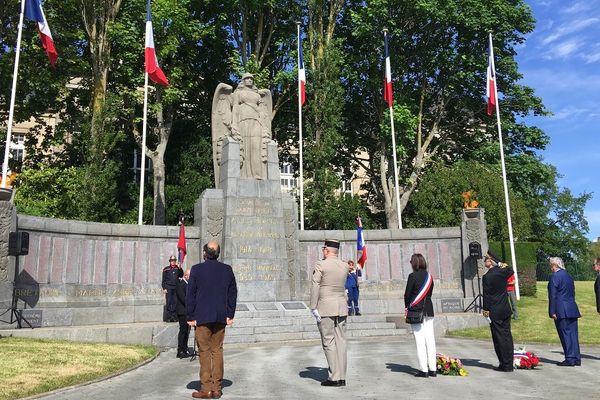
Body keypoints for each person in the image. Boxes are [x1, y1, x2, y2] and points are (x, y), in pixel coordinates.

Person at [187, 242, 237, 399]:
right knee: (217, 350)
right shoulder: (227, 270)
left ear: (205, 253)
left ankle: (206, 388)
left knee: (204, 351)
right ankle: (217, 388)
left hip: (202, 317)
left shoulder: (196, 269)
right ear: (218, 254)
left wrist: (190, 317)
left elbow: (191, 295)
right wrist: (230, 314)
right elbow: (233, 293)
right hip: (220, 317)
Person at [310, 239, 349, 387]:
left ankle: (334, 377)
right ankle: (342, 377)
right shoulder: (345, 265)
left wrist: (313, 306)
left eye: (323, 249)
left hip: (326, 306)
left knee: (328, 341)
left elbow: (315, 285)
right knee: (341, 341)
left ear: (326, 250)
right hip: (341, 306)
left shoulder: (321, 264)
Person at [231, 72, 270, 180]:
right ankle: (245, 175)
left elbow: (262, 111)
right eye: (247, 78)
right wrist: (234, 123)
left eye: (251, 78)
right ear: (243, 80)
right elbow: (235, 108)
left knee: (255, 147)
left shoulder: (257, 95)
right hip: (243, 121)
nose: (250, 80)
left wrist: (265, 125)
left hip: (256, 122)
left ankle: (257, 174)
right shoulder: (238, 93)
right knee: (246, 148)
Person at [404, 253, 436, 378]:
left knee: (420, 340)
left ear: (414, 263)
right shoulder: (429, 276)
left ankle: (424, 369)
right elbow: (430, 293)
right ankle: (433, 369)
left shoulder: (412, 276)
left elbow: (407, 295)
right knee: (430, 340)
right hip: (429, 309)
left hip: (416, 311)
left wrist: (408, 307)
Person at [482, 250, 514, 372]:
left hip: (495, 311)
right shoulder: (503, 272)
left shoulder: (487, 277)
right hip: (505, 308)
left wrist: (485, 310)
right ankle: (509, 363)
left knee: (499, 338)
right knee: (507, 336)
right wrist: (501, 263)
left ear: (490, 261)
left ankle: (504, 364)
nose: (484, 261)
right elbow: (510, 270)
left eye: (486, 259)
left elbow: (486, 296)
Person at [548, 256, 581, 366]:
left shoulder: (554, 277)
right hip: (572, 307)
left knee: (565, 334)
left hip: (561, 309)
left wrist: (552, 311)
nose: (550, 267)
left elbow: (553, 295)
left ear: (555, 265)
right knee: (573, 334)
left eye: (551, 265)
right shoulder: (568, 275)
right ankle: (576, 357)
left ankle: (570, 358)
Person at [176, 269, 191, 358]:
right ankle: (180, 350)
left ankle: (185, 348)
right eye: (190, 275)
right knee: (183, 331)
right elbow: (183, 299)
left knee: (186, 331)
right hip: (182, 312)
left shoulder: (188, 284)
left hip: (187, 311)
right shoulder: (181, 285)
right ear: (185, 276)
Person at [162, 255, 181, 322]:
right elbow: (163, 280)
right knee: (169, 302)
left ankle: (174, 317)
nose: (173, 262)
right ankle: (169, 317)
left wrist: (180, 268)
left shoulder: (177, 268)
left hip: (176, 288)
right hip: (169, 288)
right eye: (172, 260)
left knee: (175, 302)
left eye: (174, 260)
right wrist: (164, 288)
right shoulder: (166, 269)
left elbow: (181, 275)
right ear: (170, 261)